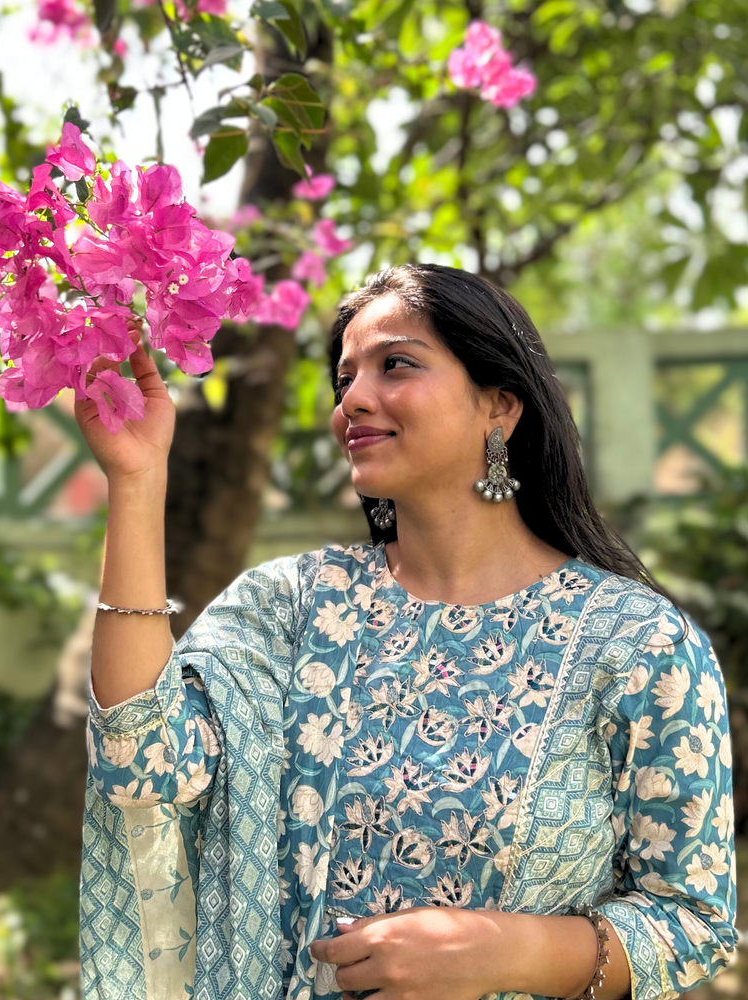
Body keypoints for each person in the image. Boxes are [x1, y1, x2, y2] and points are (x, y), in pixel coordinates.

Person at [75, 263, 737, 1000]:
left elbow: (693, 920)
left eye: (396, 364)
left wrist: (505, 951)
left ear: (501, 406)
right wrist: (137, 481)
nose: (353, 400)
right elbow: (141, 768)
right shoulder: (290, 608)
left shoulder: (637, 645)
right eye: (344, 377)